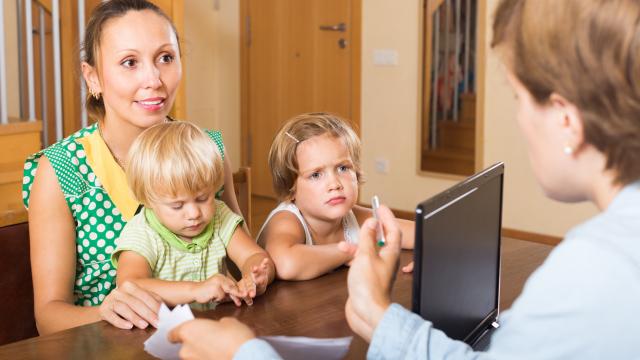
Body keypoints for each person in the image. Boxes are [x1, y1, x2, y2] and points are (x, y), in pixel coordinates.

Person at [169, 0, 640, 358]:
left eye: (519, 98)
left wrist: (244, 353)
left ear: (565, 120)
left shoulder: (596, 271)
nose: (519, 120)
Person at [22, 0, 244, 335]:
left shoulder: (208, 149)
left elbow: (239, 260)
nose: (154, 79)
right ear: (92, 77)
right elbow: (49, 317)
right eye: (129, 62)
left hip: (204, 341)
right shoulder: (59, 171)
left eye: (165, 58)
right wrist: (104, 312)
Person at [112, 122, 274, 307]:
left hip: (213, 327)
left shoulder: (219, 215)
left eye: (202, 198)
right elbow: (129, 286)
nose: (194, 213)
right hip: (162, 331)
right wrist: (196, 289)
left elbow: (254, 256)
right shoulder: (142, 232)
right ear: (148, 200)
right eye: (177, 206)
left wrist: (255, 277)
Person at [256, 112, 414, 281]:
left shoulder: (355, 216)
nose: (335, 184)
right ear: (290, 188)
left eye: (343, 168)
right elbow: (286, 264)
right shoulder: (287, 219)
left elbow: (418, 234)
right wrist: (348, 252)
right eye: (316, 175)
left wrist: (426, 257)